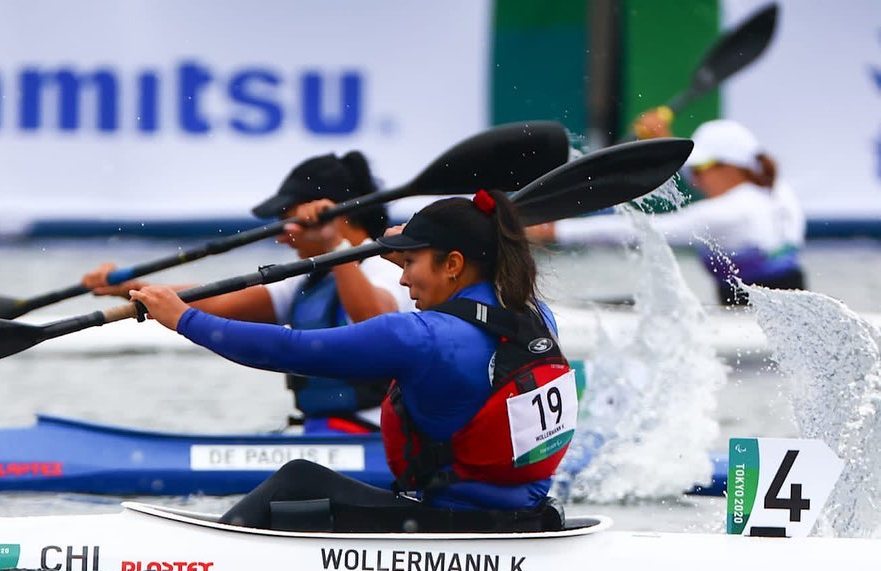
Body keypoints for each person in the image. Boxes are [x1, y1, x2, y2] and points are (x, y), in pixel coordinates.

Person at [127, 189, 577, 533]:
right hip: (524, 516)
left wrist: (185, 319)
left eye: (412, 263)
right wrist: (411, 245)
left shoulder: (419, 337)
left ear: (454, 263)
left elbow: (289, 349)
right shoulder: (534, 315)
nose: (403, 279)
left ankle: (203, 554)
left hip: (450, 523)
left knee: (297, 482)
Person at [82, 152, 415, 434]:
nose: (282, 238)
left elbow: (377, 324)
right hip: (324, 430)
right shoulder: (308, 281)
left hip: (375, 436)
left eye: (290, 225)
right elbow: (220, 301)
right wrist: (131, 288)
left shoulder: (386, 269)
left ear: (332, 217)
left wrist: (334, 246)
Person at [529, 115, 807, 305]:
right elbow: (693, 172)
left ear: (730, 166)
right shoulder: (778, 190)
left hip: (748, 318)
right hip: (790, 303)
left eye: (700, 169)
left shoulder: (724, 214)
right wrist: (664, 140)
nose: (694, 178)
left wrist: (553, 230)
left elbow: (637, 232)